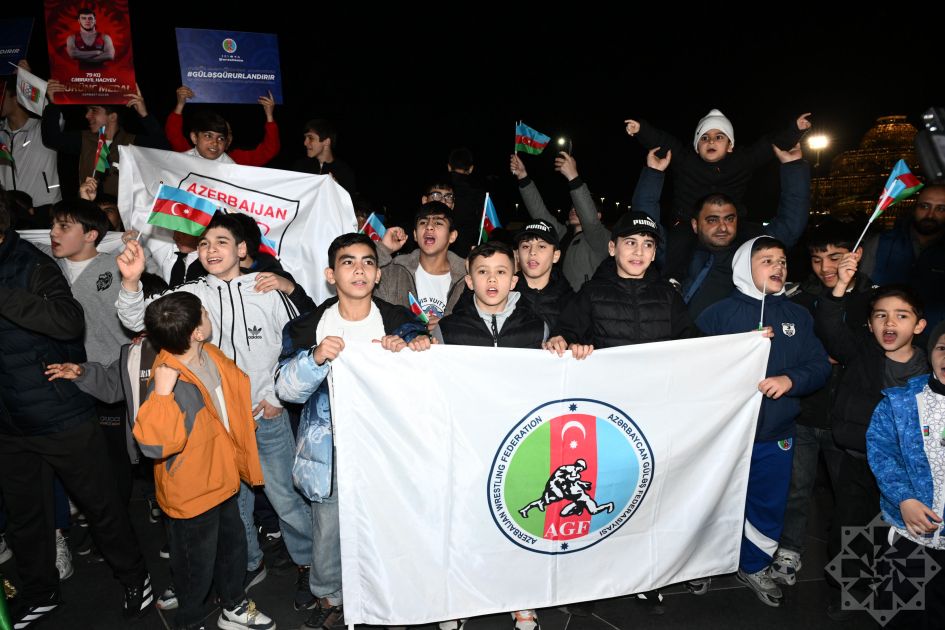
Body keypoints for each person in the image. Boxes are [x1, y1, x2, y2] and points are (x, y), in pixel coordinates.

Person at [115, 213, 313, 600]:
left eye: (221, 242)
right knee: (234, 501)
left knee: (285, 497)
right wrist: (131, 281)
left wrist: (277, 397)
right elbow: (140, 319)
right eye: (204, 244)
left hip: (265, 415)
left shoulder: (267, 288)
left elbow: (302, 341)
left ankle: (308, 563)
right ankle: (250, 562)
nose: (210, 249)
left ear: (242, 249)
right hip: (218, 422)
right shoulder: (192, 293)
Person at [0, 196, 152, 627]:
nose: (54, 233)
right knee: (26, 517)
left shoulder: (32, 264)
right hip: (8, 420)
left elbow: (69, 322)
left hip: (58, 412)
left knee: (101, 503)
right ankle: (41, 592)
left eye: (64, 226)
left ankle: (135, 578)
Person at [275, 232, 430, 630]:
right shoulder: (306, 327)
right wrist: (315, 358)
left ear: (378, 274)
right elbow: (286, 390)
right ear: (331, 274)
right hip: (330, 451)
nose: (359, 270)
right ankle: (329, 596)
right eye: (348, 262)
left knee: (389, 523)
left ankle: (390, 597)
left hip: (388, 446)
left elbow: (427, 375)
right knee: (328, 529)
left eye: (367, 262)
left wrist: (413, 348)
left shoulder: (401, 322)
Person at [696, 236, 831, 607]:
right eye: (767, 260)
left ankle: (754, 565)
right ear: (745, 266)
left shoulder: (797, 316)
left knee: (767, 501)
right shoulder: (717, 314)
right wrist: (739, 351)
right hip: (723, 435)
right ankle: (703, 563)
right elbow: (692, 366)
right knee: (712, 499)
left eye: (782, 261)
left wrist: (790, 380)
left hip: (775, 432)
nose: (778, 267)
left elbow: (819, 366)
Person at [132, 292, 274, 630]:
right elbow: (154, 444)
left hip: (222, 477)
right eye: (204, 313)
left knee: (232, 550)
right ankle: (189, 621)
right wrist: (162, 394)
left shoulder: (209, 355)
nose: (208, 314)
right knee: (194, 568)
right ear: (197, 332)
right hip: (192, 493)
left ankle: (233, 606)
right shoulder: (169, 380)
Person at [815, 253, 929, 619]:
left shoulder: (930, 366)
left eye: (901, 316)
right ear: (869, 324)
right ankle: (848, 591)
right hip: (859, 460)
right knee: (850, 527)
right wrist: (840, 287)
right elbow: (830, 328)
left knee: (905, 531)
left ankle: (898, 598)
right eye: (881, 315)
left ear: (919, 325)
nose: (889, 322)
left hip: (910, 471)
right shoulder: (861, 352)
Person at [771, 220, 873, 587]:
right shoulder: (799, 299)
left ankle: (850, 575)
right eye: (816, 259)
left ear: (856, 255)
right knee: (796, 489)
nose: (826, 268)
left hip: (851, 419)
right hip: (804, 413)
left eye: (835, 257)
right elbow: (795, 351)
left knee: (850, 499)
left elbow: (860, 351)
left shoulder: (875, 300)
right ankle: (789, 551)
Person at [632, 143, 810, 319]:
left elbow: (790, 225)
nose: (723, 227)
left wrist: (793, 166)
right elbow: (645, 226)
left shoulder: (753, 249)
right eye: (712, 220)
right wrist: (653, 173)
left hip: (742, 335)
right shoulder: (679, 249)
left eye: (729, 219)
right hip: (687, 334)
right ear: (695, 225)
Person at [866, 320, 945, 629]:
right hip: (912, 532)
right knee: (900, 611)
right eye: (942, 348)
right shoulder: (900, 402)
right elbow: (882, 453)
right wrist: (904, 498)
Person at [546, 211, 698, 356]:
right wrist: (561, 341)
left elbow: (695, 343)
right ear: (612, 248)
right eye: (631, 242)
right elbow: (565, 332)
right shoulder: (591, 293)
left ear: (653, 254)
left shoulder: (668, 295)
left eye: (647, 244)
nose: (639, 252)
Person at [624, 109, 810, 220]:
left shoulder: (742, 160)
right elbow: (665, 142)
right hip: (687, 222)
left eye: (719, 137)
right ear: (697, 148)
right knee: (679, 247)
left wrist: (794, 131)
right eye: (704, 138)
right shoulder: (686, 160)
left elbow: (767, 146)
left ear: (730, 146)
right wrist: (641, 130)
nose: (711, 141)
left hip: (728, 225)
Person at [42, 81, 168, 198]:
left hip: (121, 212)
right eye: (87, 111)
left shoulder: (132, 142)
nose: (87, 115)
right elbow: (51, 139)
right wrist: (53, 104)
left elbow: (165, 149)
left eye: (94, 110)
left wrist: (144, 114)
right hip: (90, 209)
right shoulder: (84, 139)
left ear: (112, 117)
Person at [511, 152, 609, 291]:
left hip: (587, 301)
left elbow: (589, 219)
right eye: (572, 207)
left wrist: (573, 177)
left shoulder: (600, 238)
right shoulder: (563, 234)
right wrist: (523, 177)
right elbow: (539, 212)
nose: (574, 210)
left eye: (579, 208)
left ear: (598, 215)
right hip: (561, 298)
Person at [859, 183, 945, 336]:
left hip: (935, 339)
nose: (930, 215)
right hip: (883, 337)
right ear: (914, 208)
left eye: (941, 209)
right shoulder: (881, 243)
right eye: (924, 206)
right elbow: (861, 291)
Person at [375, 202, 467, 329]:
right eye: (423, 222)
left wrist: (447, 326)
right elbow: (362, 290)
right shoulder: (394, 270)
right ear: (415, 235)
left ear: (452, 236)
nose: (429, 227)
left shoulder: (467, 278)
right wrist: (384, 249)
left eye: (438, 223)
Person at [165, 86, 280, 166]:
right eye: (208, 136)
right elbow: (173, 134)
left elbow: (269, 150)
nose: (215, 142)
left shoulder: (236, 161)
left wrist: (269, 116)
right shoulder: (187, 154)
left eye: (222, 137)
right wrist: (180, 104)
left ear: (229, 140)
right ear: (194, 138)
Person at [1, 69, 63, 208]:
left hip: (44, 207)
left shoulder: (43, 128)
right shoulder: (1, 133)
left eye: (2, 95)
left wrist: (27, 80)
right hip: (8, 209)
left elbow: (54, 114)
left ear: (16, 97)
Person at [513, 220, 573, 330]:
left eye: (541, 246)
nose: (532, 252)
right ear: (517, 255)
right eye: (525, 246)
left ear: (555, 255)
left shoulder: (572, 302)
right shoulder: (502, 295)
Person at [293, 119, 356, 194]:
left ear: (326, 141)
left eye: (310, 138)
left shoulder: (344, 172)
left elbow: (348, 200)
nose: (305, 143)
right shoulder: (300, 166)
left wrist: (338, 190)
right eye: (305, 138)